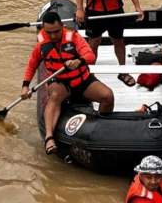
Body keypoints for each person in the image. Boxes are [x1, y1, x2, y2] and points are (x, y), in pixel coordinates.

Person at [23, 11, 115, 154]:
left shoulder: (74, 38)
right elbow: (32, 65)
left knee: (107, 96)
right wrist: (25, 86)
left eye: (56, 31)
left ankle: (101, 127)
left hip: (82, 80)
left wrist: (78, 61)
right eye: (49, 32)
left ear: (62, 26)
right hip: (60, 82)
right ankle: (49, 137)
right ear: (44, 30)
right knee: (54, 96)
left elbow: (90, 56)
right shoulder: (41, 44)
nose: (53, 36)